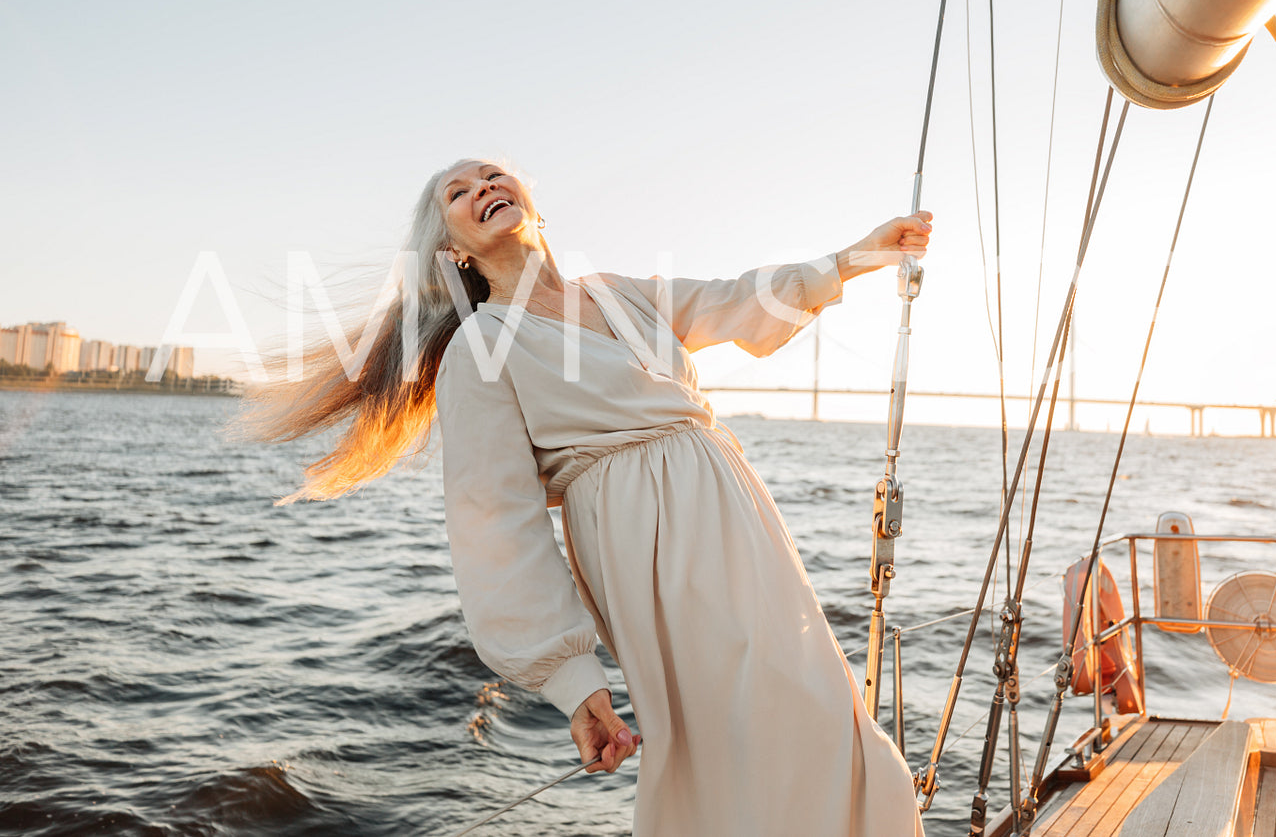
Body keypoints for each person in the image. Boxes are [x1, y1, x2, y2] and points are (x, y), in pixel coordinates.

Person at [231, 157, 932, 836]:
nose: (483, 187)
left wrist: (852, 258)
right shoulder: (481, 345)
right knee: (743, 729)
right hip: (647, 544)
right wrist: (571, 679)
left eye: (493, 174)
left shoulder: (617, 294)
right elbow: (494, 521)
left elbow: (735, 298)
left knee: (820, 707)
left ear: (530, 199)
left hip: (736, 513)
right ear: (451, 248)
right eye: (459, 191)